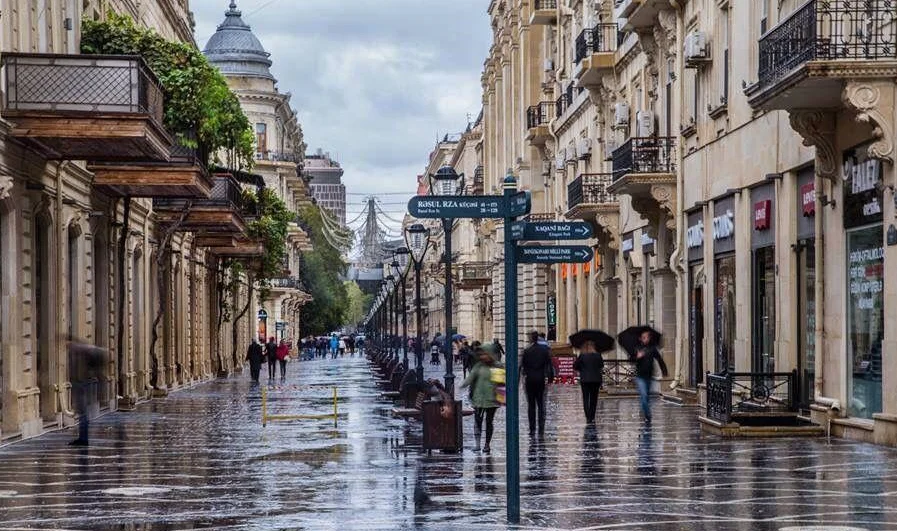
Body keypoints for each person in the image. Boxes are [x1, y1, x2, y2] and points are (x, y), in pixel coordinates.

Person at [461, 344, 502, 454]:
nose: (483, 357)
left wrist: (501, 396)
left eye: (485, 354)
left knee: (489, 422)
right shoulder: (478, 366)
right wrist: (462, 385)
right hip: (478, 399)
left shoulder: (497, 366)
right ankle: (477, 444)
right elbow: (470, 379)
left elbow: (501, 383)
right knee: (477, 421)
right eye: (481, 355)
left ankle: (487, 444)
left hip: (492, 399)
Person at [67, 337, 106, 446]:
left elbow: (85, 368)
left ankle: (83, 439)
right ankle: (83, 437)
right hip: (84, 384)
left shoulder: (80, 350)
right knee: (83, 413)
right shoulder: (82, 349)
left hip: (83, 384)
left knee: (83, 413)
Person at [521, 330, 554, 437]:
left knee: (531, 406)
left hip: (530, 380)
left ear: (531, 338)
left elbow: (523, 367)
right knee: (541, 405)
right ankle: (541, 428)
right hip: (540, 380)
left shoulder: (526, 351)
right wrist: (550, 378)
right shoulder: (544, 350)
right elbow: (549, 365)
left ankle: (532, 429)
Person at [634, 330, 666, 423]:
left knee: (646, 397)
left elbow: (659, 359)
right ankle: (648, 416)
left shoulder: (652, 349)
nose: (646, 339)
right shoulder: (637, 348)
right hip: (640, 376)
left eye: (647, 337)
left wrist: (664, 371)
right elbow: (631, 359)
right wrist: (637, 357)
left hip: (649, 376)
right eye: (644, 337)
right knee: (644, 395)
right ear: (640, 338)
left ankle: (646, 413)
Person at [573, 335, 605, 424]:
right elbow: (601, 365)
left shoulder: (582, 355)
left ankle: (588, 417)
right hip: (596, 380)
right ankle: (592, 416)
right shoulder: (598, 355)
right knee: (594, 399)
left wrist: (581, 369)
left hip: (585, 380)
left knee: (586, 398)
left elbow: (575, 366)